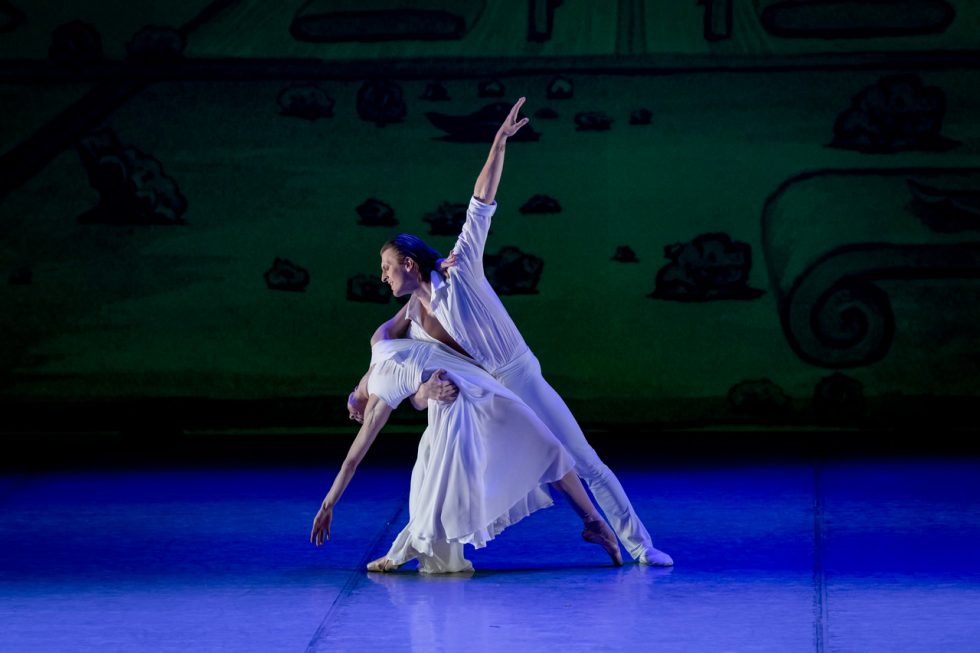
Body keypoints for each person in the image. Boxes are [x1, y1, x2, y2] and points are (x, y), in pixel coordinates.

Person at [373, 97, 672, 566]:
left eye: (388, 267)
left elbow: (480, 203)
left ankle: (638, 544)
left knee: (582, 459)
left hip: (519, 377)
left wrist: (498, 143)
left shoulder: (460, 269)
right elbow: (381, 344)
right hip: (486, 397)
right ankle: (419, 544)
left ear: (410, 264)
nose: (383, 276)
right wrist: (360, 394)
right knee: (451, 470)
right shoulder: (414, 313)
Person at [310, 337, 623, 573]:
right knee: (451, 485)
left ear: (355, 391)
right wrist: (327, 505)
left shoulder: (379, 345)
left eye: (351, 409)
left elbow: (415, 303)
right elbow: (354, 458)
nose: (353, 416)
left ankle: (593, 522)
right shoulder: (379, 393)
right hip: (459, 402)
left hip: (477, 385)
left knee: (549, 448)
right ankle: (407, 549)